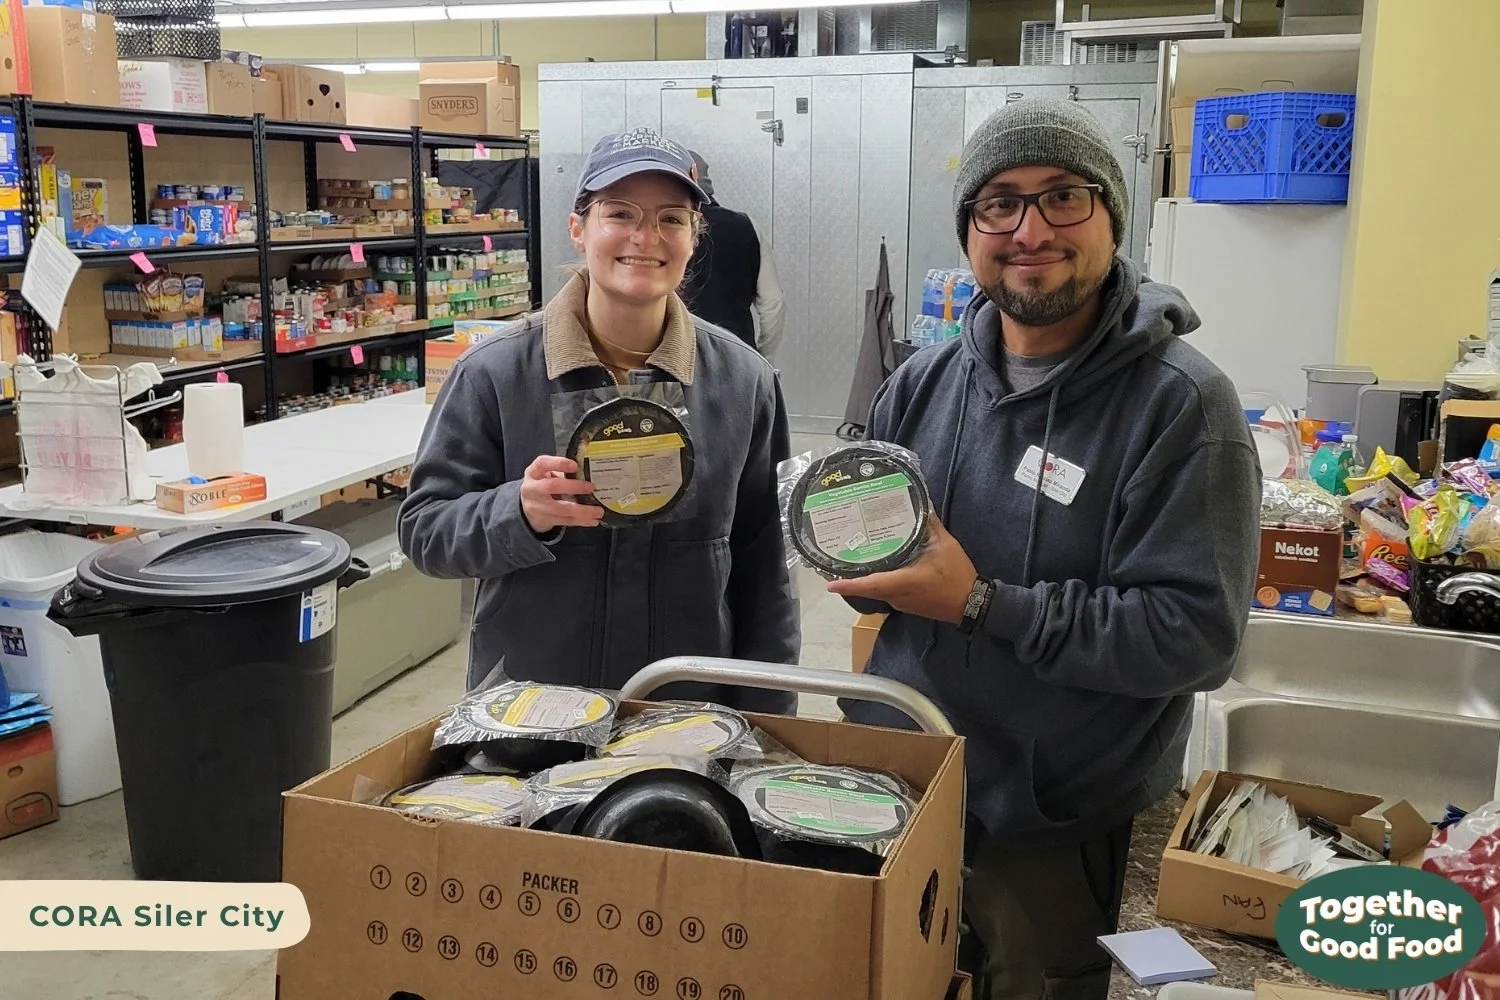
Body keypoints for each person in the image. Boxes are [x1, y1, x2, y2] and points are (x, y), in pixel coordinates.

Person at [829, 98, 1260, 1000]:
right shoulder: (925, 380)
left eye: (1063, 196)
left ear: (1111, 216)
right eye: (999, 202)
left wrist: (985, 603)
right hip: (907, 790)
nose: (1029, 229)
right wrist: (863, 575)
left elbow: (1195, 637)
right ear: (970, 230)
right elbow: (887, 574)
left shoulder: (1181, 406)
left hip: (1056, 825)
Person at [398, 128, 798, 713]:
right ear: (578, 228)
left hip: (682, 709)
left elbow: (765, 569)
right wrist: (520, 511)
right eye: (620, 213)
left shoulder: (743, 382)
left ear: (693, 236)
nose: (646, 237)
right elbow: (425, 530)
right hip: (531, 705)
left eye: (672, 218)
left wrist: (767, 717)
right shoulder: (495, 372)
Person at [679, 150, 787, 363]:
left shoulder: (664, 228)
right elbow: (774, 305)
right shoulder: (748, 226)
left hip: (675, 359)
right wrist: (763, 359)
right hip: (738, 360)